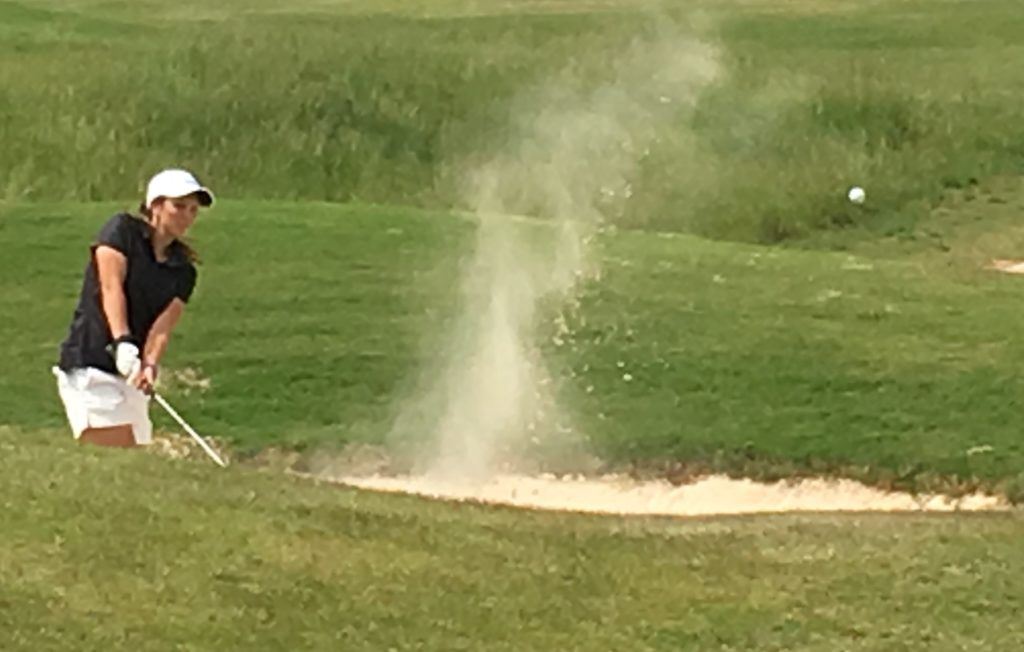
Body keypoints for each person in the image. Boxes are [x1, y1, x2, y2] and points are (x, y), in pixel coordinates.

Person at [53, 169, 214, 448]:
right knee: (111, 451)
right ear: (155, 206)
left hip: (129, 375)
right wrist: (123, 342)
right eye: (178, 206)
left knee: (136, 457)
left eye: (192, 210)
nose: (187, 216)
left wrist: (150, 364)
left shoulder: (183, 270)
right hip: (90, 363)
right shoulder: (122, 231)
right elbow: (111, 287)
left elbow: (162, 328)